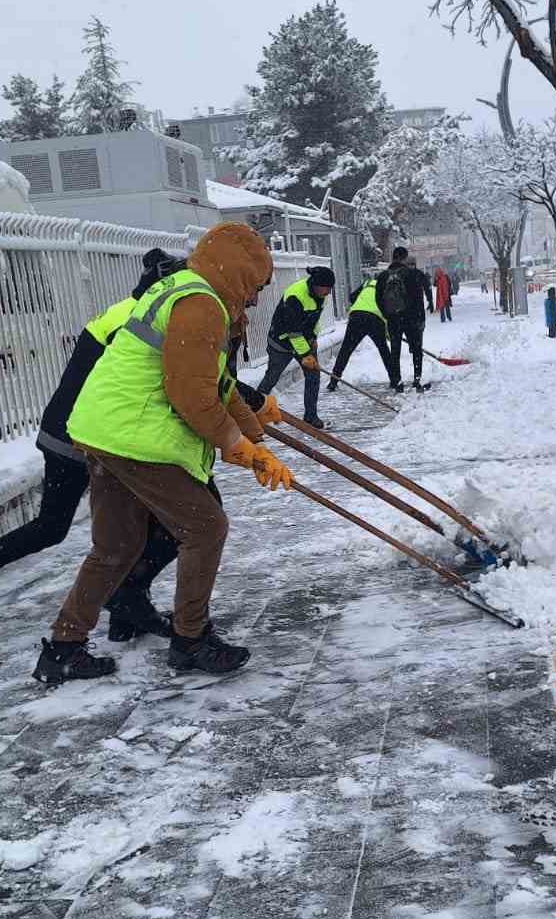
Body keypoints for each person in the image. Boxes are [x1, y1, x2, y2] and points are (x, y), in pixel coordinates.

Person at [0, 249, 280, 644]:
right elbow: (185, 375)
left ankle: (125, 603)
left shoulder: (143, 307)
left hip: (101, 429)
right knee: (78, 527)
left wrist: (250, 410)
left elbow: (201, 373)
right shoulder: (152, 313)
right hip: (82, 435)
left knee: (141, 529)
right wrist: (251, 411)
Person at [34, 222, 293, 685]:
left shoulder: (186, 288)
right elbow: (191, 393)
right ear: (235, 271)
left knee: (115, 546)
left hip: (103, 428)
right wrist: (237, 448)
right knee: (205, 528)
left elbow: (216, 381)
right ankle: (191, 639)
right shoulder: (201, 305)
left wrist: (254, 437)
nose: (254, 298)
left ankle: (63, 648)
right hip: (135, 434)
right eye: (253, 285)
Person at [256, 265, 333, 427]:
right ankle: (253, 411)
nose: (329, 293)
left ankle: (310, 417)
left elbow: (313, 319)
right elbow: (293, 331)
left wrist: (313, 338)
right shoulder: (295, 296)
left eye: (330, 289)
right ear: (316, 285)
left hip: (302, 340)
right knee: (272, 377)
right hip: (281, 341)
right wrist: (306, 355)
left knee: (313, 376)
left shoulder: (320, 295)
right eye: (326, 289)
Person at [327, 273, 398, 391]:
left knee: (345, 350)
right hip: (375, 319)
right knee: (384, 351)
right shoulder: (388, 288)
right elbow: (389, 310)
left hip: (357, 316)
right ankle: (394, 380)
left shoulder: (367, 283)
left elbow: (352, 297)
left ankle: (333, 381)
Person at [378, 247, 432, 392]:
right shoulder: (411, 274)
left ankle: (397, 381)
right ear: (404, 258)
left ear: (393, 257)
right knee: (416, 349)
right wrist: (420, 318)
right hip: (412, 319)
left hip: (393, 320)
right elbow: (418, 298)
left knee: (395, 351)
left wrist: (387, 315)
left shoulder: (383, 276)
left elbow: (378, 299)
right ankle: (417, 379)